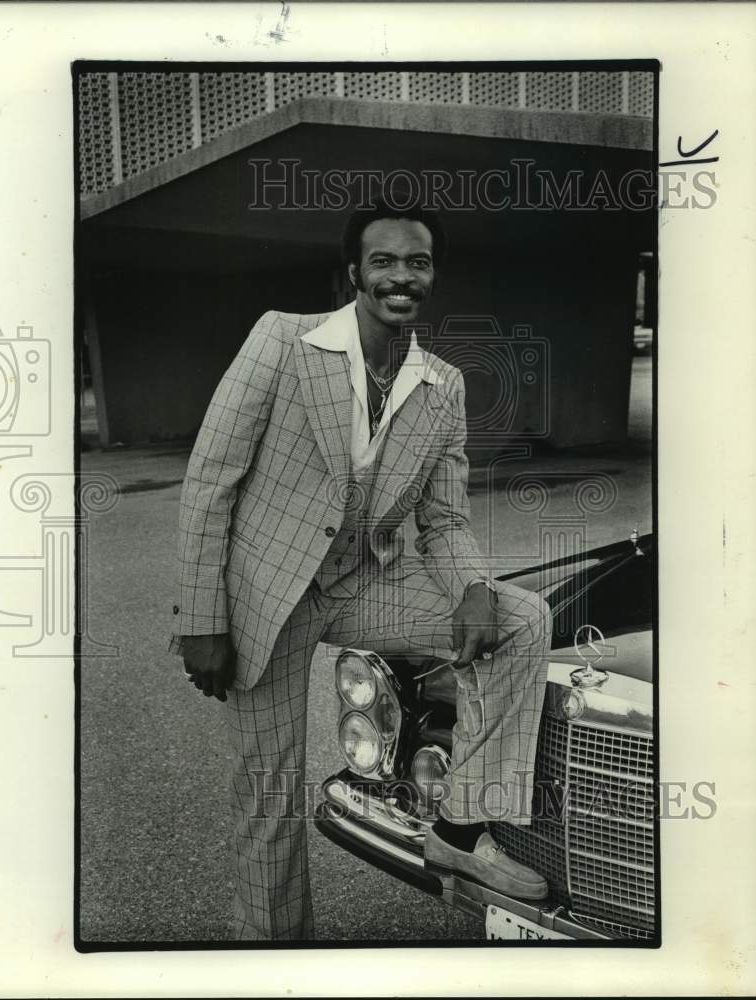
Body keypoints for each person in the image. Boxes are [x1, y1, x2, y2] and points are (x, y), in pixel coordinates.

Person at [170, 199, 553, 940]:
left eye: (417, 262)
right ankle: (275, 960)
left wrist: (473, 585)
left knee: (519, 619)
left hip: (360, 586)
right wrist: (200, 619)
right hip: (264, 596)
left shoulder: (442, 385)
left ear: (431, 275)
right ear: (353, 273)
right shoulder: (281, 341)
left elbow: (442, 519)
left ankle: (461, 825)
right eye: (383, 262)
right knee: (269, 796)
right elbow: (209, 479)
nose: (400, 277)